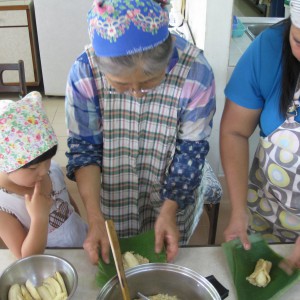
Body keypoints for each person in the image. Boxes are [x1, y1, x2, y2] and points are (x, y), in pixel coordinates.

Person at [65, 0, 216, 265]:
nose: (136, 93)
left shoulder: (196, 72)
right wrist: (94, 217)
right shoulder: (85, 72)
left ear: (167, 57)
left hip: (173, 192)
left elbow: (190, 152)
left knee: (162, 264)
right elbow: (85, 150)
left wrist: (170, 210)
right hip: (113, 194)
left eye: (148, 83)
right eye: (122, 85)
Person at [220, 0, 300, 268]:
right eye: (299, 41)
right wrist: (238, 207)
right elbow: (234, 131)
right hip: (268, 215)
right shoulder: (270, 49)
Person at [0, 91, 88, 259]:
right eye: (33, 168)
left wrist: (79, 223)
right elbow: (25, 257)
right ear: (5, 164)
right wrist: (39, 217)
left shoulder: (51, 170)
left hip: (81, 244)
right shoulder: (4, 206)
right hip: (52, 266)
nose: (43, 171)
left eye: (47, 160)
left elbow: (69, 203)